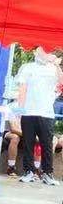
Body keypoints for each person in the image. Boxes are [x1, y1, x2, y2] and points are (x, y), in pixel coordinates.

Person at [17, 47, 63, 185]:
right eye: (40, 50)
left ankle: (47, 173)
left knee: (47, 144)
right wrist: (20, 110)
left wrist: (57, 65)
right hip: (29, 112)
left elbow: (61, 83)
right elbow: (22, 89)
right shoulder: (27, 67)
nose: (43, 53)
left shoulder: (53, 69)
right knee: (28, 143)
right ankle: (28, 171)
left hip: (46, 113)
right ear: (35, 51)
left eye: (46, 51)